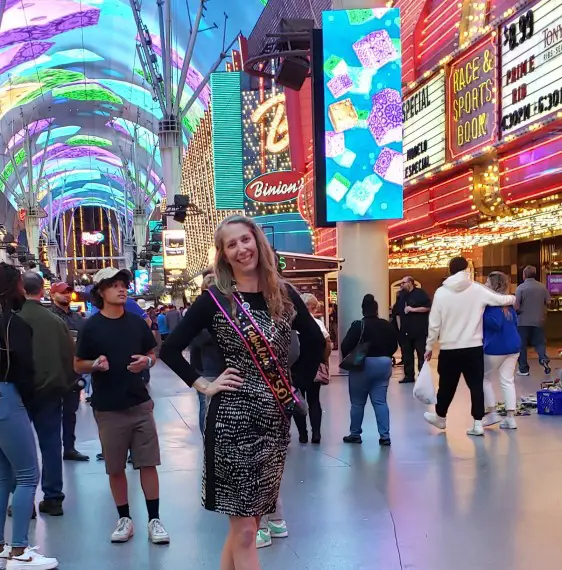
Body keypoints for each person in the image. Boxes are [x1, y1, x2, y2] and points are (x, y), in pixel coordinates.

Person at [160, 215, 324, 570]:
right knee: (247, 530)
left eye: (245, 240)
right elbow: (170, 349)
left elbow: (314, 340)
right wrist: (203, 384)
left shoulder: (283, 292)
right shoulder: (214, 300)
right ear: (223, 254)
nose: (241, 249)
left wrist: (296, 382)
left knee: (245, 527)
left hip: (274, 419)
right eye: (231, 244)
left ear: (257, 242)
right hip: (232, 419)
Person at [75, 268, 169, 545]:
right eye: (114, 285)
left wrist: (147, 362)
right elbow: (77, 363)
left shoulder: (137, 323)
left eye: (123, 285)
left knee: (148, 463)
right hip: (108, 409)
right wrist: (94, 365)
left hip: (140, 404)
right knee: (115, 467)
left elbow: (153, 353)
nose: (121, 289)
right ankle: (124, 518)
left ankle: (154, 519)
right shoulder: (91, 328)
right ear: (100, 292)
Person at [0, 264, 58, 570]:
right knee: (26, 475)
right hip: (7, 398)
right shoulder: (14, 324)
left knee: (3, 475)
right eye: (20, 285)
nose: (23, 290)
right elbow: (23, 369)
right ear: (12, 288)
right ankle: (20, 550)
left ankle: (1, 546)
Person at [424, 257, 516, 436]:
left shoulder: (441, 293)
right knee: (476, 386)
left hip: (449, 348)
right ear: (466, 269)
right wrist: (513, 297)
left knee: (446, 386)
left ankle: (441, 418)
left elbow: (434, 324)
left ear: (450, 270)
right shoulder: (477, 289)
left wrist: (429, 346)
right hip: (473, 347)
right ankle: (477, 423)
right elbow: (501, 300)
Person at [19, 272, 75, 517]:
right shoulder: (55, 322)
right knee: (51, 443)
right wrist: (66, 383)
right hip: (50, 391)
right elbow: (69, 356)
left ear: (21, 290)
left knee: (18, 447)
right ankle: (53, 499)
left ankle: (23, 502)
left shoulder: (13, 318)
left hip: (17, 393)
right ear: (43, 292)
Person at [341, 295, 398, 446]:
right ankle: (385, 436)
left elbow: (345, 346)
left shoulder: (358, 325)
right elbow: (394, 346)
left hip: (362, 365)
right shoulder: (387, 325)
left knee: (357, 403)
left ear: (363, 310)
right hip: (383, 364)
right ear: (377, 309)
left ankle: (355, 434)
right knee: (380, 402)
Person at [49, 281, 90, 461]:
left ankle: (69, 447)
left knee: (70, 413)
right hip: (53, 372)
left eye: (68, 292)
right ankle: (53, 451)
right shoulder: (48, 317)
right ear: (53, 295)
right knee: (52, 414)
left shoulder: (77, 318)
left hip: (73, 372)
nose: (66, 295)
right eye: (62, 292)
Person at [481, 272, 521, 430]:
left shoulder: (491, 304)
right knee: (507, 381)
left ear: (493, 284)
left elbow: (495, 323)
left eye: (487, 282)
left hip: (495, 347)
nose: (485, 284)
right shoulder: (509, 303)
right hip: (513, 346)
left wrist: (481, 314)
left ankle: (492, 413)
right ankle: (511, 418)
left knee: (484, 379)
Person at [189, 274, 224, 435]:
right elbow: (195, 339)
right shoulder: (200, 310)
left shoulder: (226, 308)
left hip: (220, 366)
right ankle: (208, 437)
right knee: (206, 404)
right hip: (206, 368)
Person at [293, 293, 331, 444]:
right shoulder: (318, 324)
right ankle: (316, 434)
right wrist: (324, 361)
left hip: (296, 368)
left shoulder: (293, 323)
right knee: (314, 400)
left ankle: (303, 434)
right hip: (314, 366)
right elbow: (327, 344)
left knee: (298, 400)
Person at [516, 265, 551, 375]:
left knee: (521, 345)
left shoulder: (521, 288)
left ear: (524, 275)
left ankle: (523, 369)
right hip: (538, 320)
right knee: (539, 342)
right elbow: (549, 302)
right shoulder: (542, 287)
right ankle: (543, 359)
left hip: (523, 321)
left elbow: (516, 305)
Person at [395, 277, 431, 384]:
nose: (402, 285)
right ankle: (408, 375)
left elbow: (427, 307)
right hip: (405, 331)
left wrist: (413, 309)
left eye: (404, 282)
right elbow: (397, 312)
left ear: (410, 283)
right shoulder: (401, 296)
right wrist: (399, 328)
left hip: (419, 331)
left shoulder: (420, 294)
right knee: (406, 354)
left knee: (421, 354)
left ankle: (422, 376)